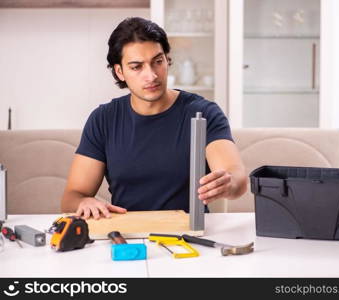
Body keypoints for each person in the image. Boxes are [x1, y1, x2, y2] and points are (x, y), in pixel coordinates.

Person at [61, 17, 247, 219]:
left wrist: (229, 183)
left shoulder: (204, 113)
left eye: (157, 62)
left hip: (190, 235)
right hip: (128, 236)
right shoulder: (103, 119)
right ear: (120, 72)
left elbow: (236, 177)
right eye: (136, 67)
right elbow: (72, 197)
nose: (151, 76)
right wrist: (84, 201)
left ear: (167, 60)